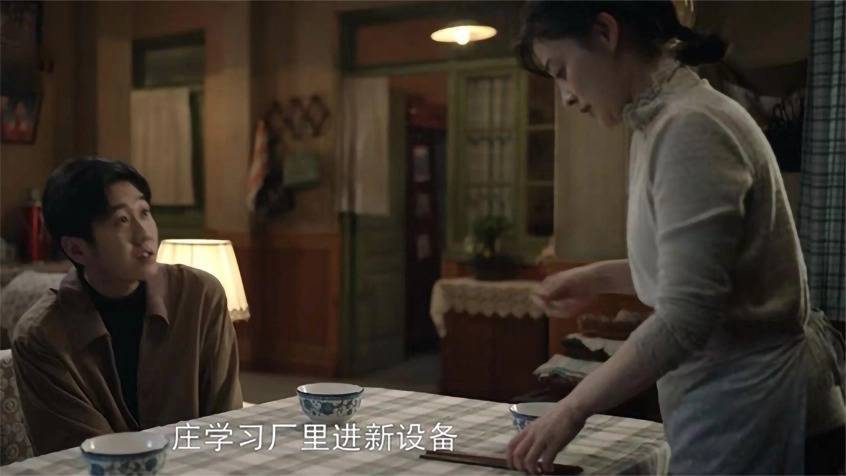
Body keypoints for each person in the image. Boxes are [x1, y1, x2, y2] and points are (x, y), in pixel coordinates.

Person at [506, 2, 846, 474]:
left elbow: (687, 313)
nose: (564, 96)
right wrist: (595, 278)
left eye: (561, 71)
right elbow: (703, 270)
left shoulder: (691, 126)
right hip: (734, 401)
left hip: (757, 405)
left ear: (605, 32)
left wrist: (571, 409)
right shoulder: (660, 120)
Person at [12, 157, 243, 455]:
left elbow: (226, 422)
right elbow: (82, 457)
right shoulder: (41, 336)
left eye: (144, 212)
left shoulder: (200, 296)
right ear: (77, 249)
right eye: (121, 220)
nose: (144, 233)